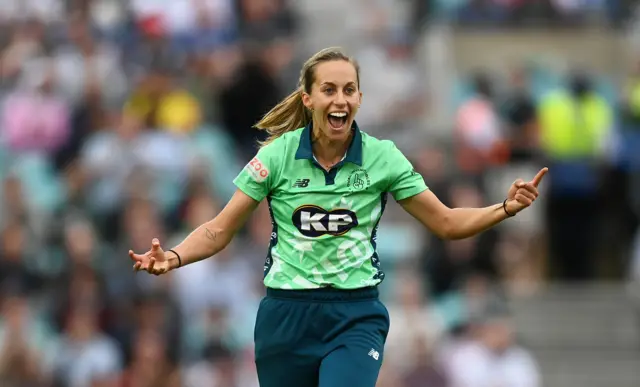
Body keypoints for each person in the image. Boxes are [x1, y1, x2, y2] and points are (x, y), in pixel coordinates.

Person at [128, 47, 547, 387]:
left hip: (355, 314)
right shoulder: (276, 156)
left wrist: (504, 208)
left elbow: (447, 223)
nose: (340, 98)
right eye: (329, 89)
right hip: (285, 316)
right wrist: (176, 256)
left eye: (350, 89)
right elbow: (219, 230)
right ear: (309, 99)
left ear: (360, 99)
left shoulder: (383, 158)